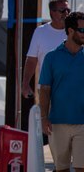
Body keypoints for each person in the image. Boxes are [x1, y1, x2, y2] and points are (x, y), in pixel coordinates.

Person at [39, 11, 84, 172]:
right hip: (57, 123)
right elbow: (44, 90)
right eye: (82, 30)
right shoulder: (52, 57)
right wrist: (43, 117)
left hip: (83, 124)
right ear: (70, 31)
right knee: (61, 169)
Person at [22, 0, 70, 100]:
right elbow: (31, 60)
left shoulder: (74, 32)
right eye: (62, 10)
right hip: (46, 90)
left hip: (71, 90)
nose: (66, 13)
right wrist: (25, 84)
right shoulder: (40, 32)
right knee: (47, 116)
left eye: (68, 10)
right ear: (52, 12)